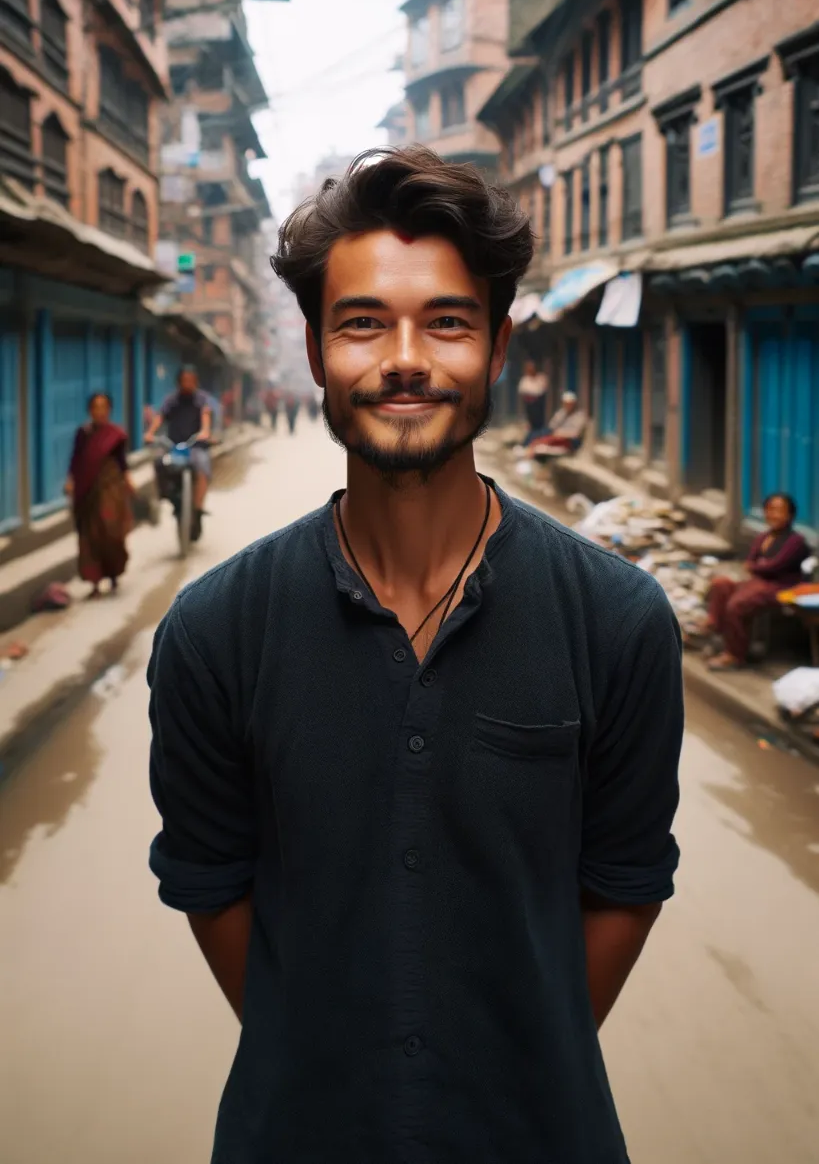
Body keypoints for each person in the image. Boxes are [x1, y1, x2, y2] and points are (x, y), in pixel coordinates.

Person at [148, 145, 683, 1164]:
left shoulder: (619, 621)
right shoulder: (215, 631)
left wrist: (516, 1054)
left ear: (497, 344)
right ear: (312, 349)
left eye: (446, 320)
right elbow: (212, 883)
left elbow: (624, 882)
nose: (404, 357)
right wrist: (332, 1057)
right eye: (362, 322)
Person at [706, 492, 809, 670]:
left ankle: (735, 655)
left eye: (779, 510)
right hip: (756, 583)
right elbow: (751, 561)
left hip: (781, 588)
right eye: (769, 510)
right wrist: (758, 566)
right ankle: (717, 632)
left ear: (789, 515)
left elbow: (774, 567)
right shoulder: (763, 537)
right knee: (720, 584)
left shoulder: (796, 541)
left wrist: (757, 566)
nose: (773, 515)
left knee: (738, 603)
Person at [65, 393, 133, 598]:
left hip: (110, 488)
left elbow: (122, 463)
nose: (100, 412)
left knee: (111, 531)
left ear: (110, 410)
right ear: (90, 411)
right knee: (89, 536)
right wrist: (70, 481)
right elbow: (76, 459)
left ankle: (112, 574)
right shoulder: (83, 434)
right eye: (96, 407)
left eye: (104, 407)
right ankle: (94, 583)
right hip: (87, 491)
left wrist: (128, 481)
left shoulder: (116, 435)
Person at [145, 366, 212, 539]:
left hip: (195, 446)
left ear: (196, 382)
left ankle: (196, 512)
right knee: (159, 462)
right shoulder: (171, 401)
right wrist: (150, 433)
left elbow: (205, 417)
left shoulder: (201, 399)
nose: (187, 384)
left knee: (202, 468)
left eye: (191, 380)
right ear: (178, 382)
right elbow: (159, 417)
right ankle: (168, 496)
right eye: (184, 380)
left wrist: (205, 431)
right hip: (172, 445)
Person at [529, 388, 587, 454]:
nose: (567, 406)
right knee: (538, 433)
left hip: (570, 440)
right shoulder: (561, 413)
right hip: (557, 435)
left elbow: (575, 433)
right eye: (565, 403)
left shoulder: (580, 416)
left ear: (574, 404)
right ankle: (527, 447)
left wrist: (559, 433)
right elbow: (552, 426)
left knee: (548, 438)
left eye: (569, 403)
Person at [517, 357, 549, 444]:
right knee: (531, 425)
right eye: (528, 368)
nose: (530, 370)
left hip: (539, 404)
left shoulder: (541, 378)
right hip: (529, 406)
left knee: (540, 425)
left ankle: (539, 441)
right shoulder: (524, 380)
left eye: (532, 368)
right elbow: (523, 394)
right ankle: (529, 442)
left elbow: (542, 390)